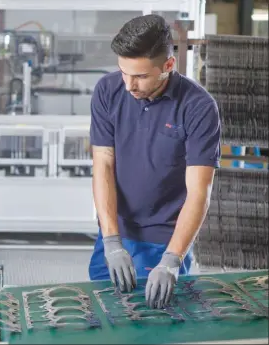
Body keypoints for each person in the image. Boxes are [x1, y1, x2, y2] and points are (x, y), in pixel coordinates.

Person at [88, 14, 221, 309]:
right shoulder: (107, 91)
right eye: (124, 72)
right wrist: (111, 241)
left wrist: (172, 259)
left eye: (140, 76)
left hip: (164, 238)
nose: (129, 85)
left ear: (168, 66)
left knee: (156, 324)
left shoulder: (199, 107)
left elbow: (199, 192)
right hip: (116, 230)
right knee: (102, 315)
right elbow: (103, 165)